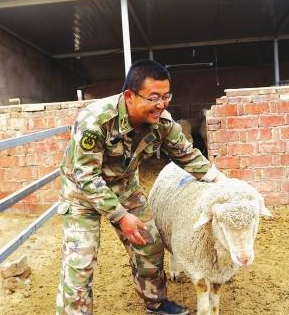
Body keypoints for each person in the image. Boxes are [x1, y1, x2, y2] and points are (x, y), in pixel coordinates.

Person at [56, 59, 224, 315]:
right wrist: (121, 216)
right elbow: (86, 177)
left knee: (150, 242)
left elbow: (187, 155)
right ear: (129, 96)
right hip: (81, 194)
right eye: (153, 97)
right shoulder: (96, 120)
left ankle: (155, 303)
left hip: (124, 187)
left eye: (166, 96)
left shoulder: (162, 123)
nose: (161, 104)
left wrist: (221, 182)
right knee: (81, 262)